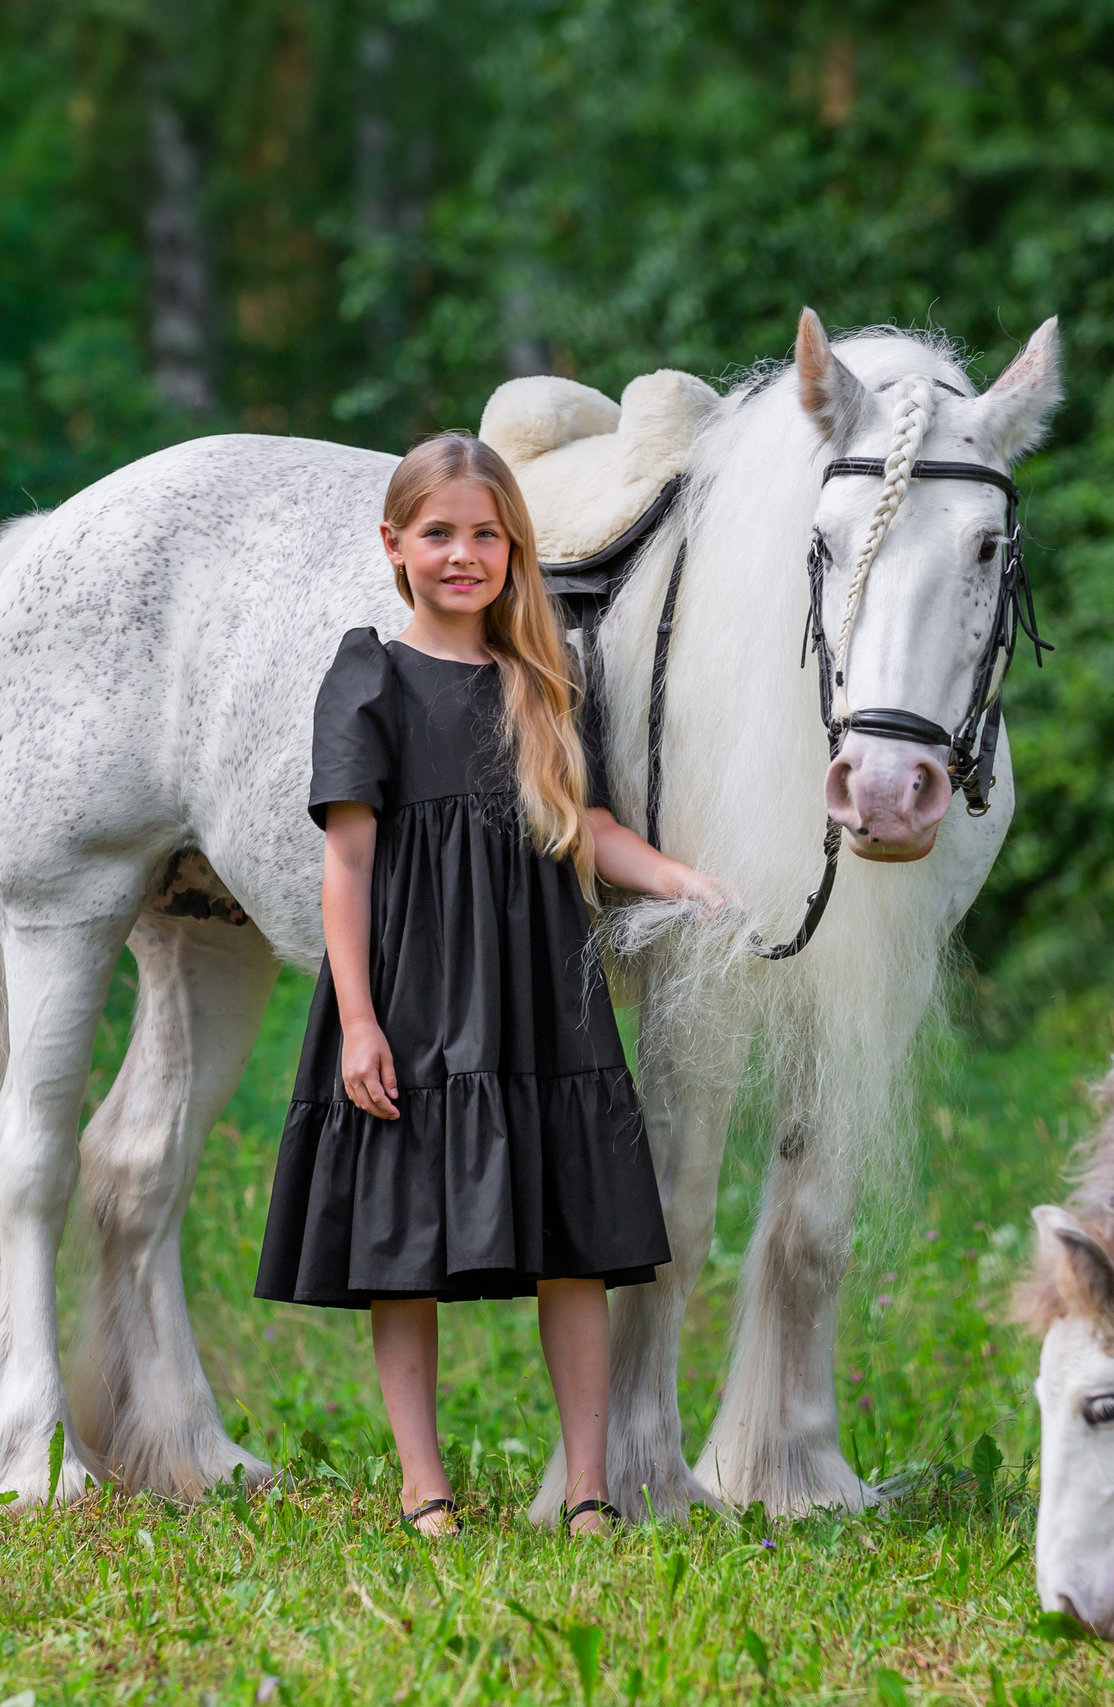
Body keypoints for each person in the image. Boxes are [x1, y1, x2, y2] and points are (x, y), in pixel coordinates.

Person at [254, 432, 723, 1538]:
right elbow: (350, 861)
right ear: (395, 545)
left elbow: (592, 825)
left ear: (512, 548)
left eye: (484, 534)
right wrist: (359, 1021)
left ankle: (591, 1486)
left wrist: (681, 879)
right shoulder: (367, 674)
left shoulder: (545, 678)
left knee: (575, 1242)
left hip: (537, 992)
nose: (462, 555)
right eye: (438, 534)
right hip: (412, 993)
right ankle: (425, 1485)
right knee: (400, 1247)